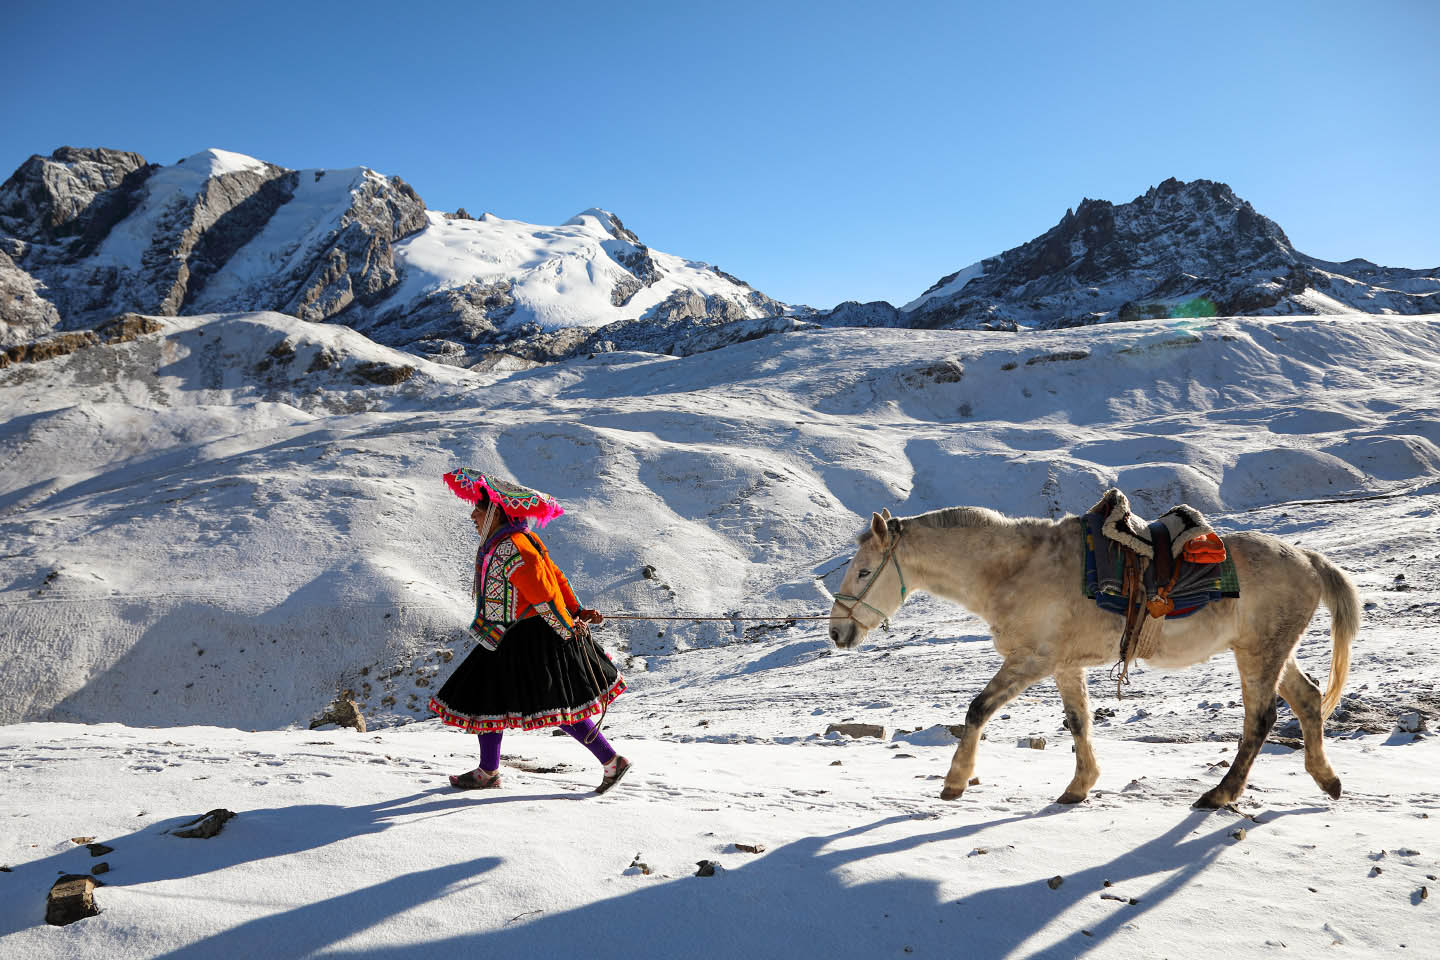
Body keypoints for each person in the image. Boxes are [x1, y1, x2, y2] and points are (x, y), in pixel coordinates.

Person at [428, 468, 630, 794]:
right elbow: (557, 578)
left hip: (529, 637)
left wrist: (568, 625)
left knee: (557, 705)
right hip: (505, 634)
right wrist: (577, 610)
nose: (472, 516)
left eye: (478, 510)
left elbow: (544, 592)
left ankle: (611, 761)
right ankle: (488, 770)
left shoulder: (514, 547)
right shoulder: (513, 540)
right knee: (489, 701)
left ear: (495, 512)